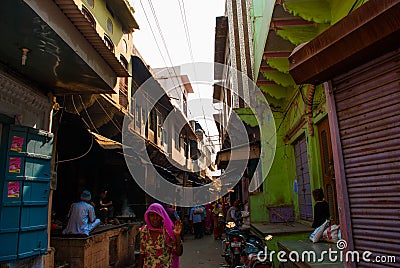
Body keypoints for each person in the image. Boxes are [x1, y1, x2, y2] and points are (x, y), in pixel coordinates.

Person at [138, 203, 183, 268]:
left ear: (161, 216)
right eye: (152, 215)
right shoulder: (144, 230)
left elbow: (179, 253)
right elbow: (142, 253)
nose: (155, 218)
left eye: (157, 215)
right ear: (148, 216)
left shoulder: (168, 231)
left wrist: (177, 236)